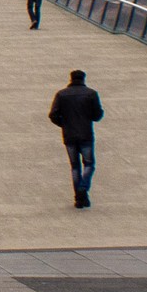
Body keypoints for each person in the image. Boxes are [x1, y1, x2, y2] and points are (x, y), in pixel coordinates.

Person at [48, 70, 104, 208]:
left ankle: (79, 199)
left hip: (69, 135)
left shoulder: (61, 94)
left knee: (75, 166)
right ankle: (82, 189)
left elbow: (53, 115)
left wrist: (64, 124)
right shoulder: (91, 94)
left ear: (71, 79)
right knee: (89, 164)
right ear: (83, 79)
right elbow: (97, 115)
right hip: (86, 134)